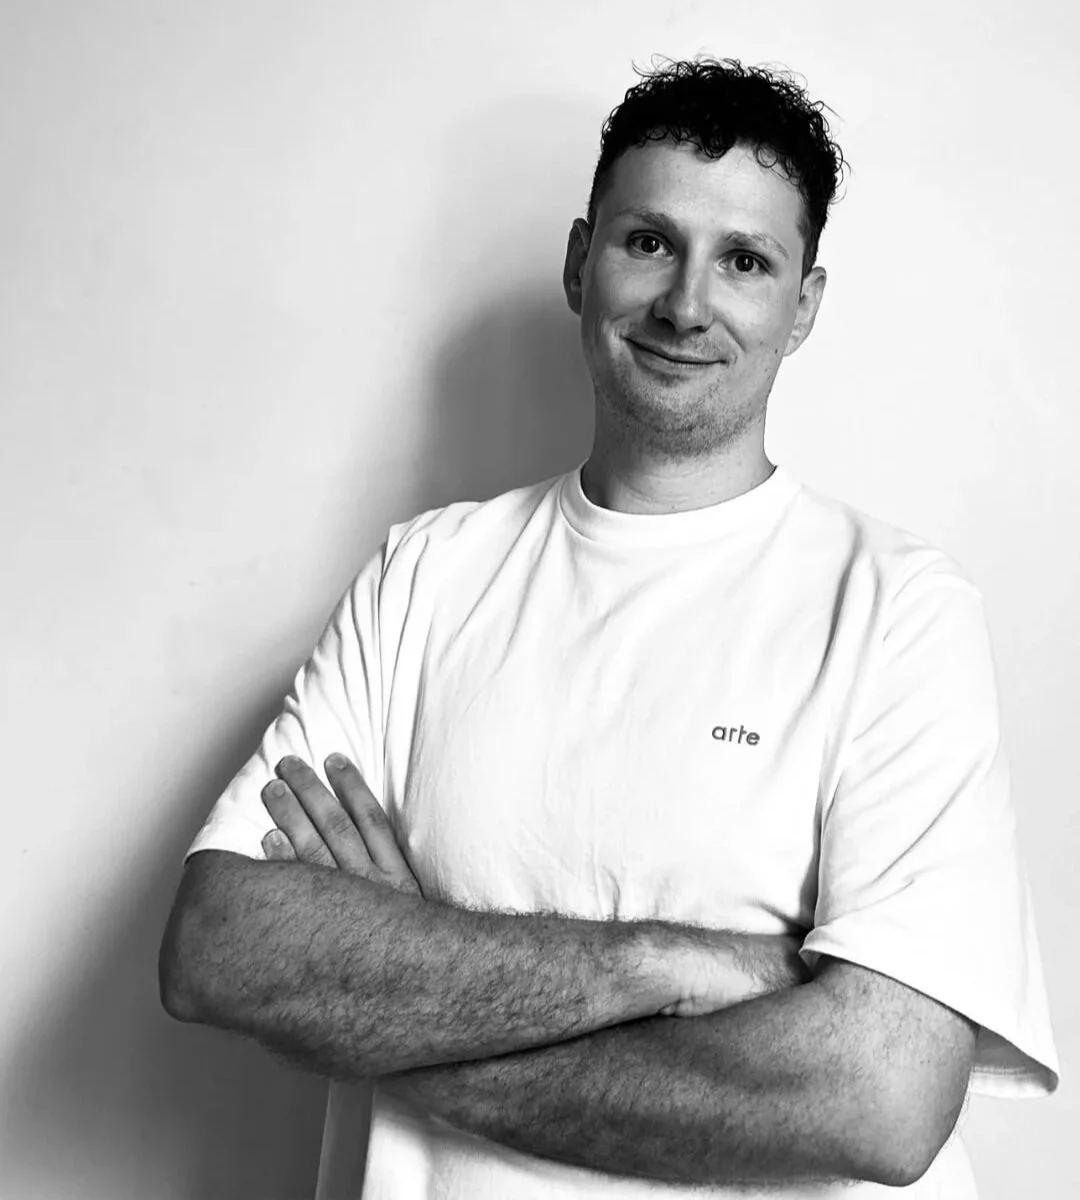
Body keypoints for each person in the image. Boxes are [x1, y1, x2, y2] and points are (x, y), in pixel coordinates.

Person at [158, 56, 1060, 1198]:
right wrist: (669, 963)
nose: (687, 303)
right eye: (649, 242)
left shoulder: (897, 609)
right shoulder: (426, 575)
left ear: (805, 306)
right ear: (582, 261)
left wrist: (394, 1012)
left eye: (744, 260)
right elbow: (222, 949)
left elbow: (880, 1097)